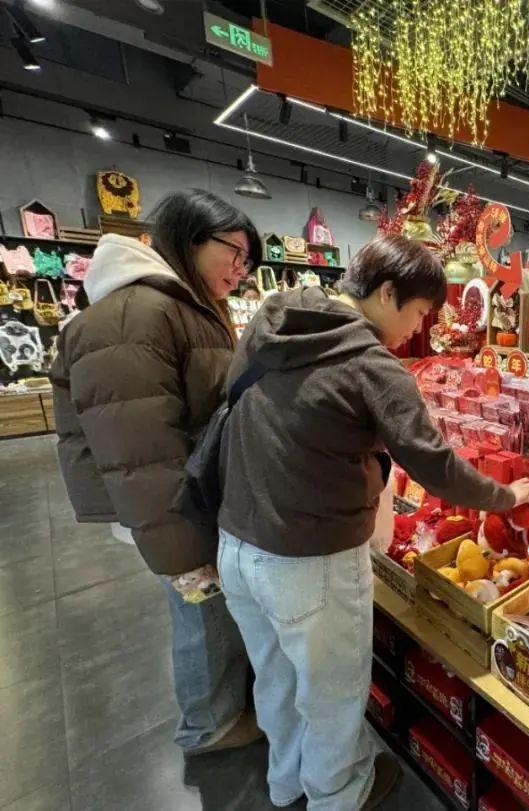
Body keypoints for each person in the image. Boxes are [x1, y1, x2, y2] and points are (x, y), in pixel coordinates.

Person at [216, 234, 529, 811]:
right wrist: (503, 495)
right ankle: (339, 795)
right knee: (334, 693)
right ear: (388, 293)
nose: (419, 329)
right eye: (419, 312)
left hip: (236, 543)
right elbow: (435, 465)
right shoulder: (372, 364)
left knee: (275, 677)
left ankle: (286, 783)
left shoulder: (272, 318)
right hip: (308, 559)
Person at [50, 189, 263, 757]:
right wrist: (183, 546)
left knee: (210, 611)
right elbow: (139, 448)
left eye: (249, 262)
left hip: (190, 493)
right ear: (191, 238)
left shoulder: (174, 304)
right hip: (173, 503)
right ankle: (209, 726)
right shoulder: (136, 312)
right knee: (201, 613)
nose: (241, 271)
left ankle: (221, 708)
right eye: (235, 253)